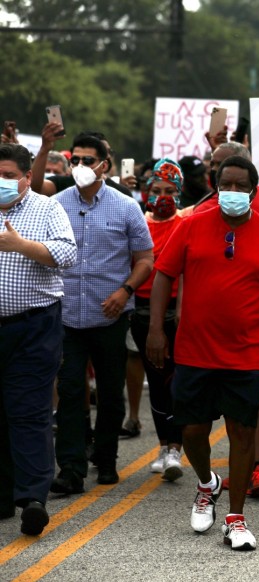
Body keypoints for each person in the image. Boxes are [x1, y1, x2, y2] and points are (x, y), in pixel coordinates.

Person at [147, 155, 259, 551]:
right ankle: (206, 483)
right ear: (216, 187)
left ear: (254, 190)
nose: (233, 192)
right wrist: (156, 331)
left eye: (240, 186)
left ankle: (235, 518)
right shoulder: (192, 226)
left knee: (242, 434)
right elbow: (164, 275)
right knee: (193, 431)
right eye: (225, 185)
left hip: (248, 353)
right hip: (195, 349)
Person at [52, 133, 154, 494]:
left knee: (110, 392)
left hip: (110, 316)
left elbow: (145, 259)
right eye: (74, 159)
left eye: (86, 160)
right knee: (69, 389)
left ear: (104, 166)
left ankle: (106, 458)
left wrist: (124, 291)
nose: (79, 166)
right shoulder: (57, 204)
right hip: (66, 317)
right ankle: (71, 468)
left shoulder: (126, 206)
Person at [0, 143, 77, 536]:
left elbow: (67, 255)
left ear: (27, 177)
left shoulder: (47, 209)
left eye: (10, 175)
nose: (3, 182)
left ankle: (32, 498)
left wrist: (22, 246)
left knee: (29, 411)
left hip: (33, 327)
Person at [129, 158, 186, 481]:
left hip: (178, 310)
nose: (162, 195)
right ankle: (164, 445)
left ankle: (177, 447)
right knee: (155, 373)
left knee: (175, 379)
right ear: (146, 192)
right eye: (156, 190)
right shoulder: (138, 223)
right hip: (142, 309)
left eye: (169, 190)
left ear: (178, 193)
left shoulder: (186, 223)